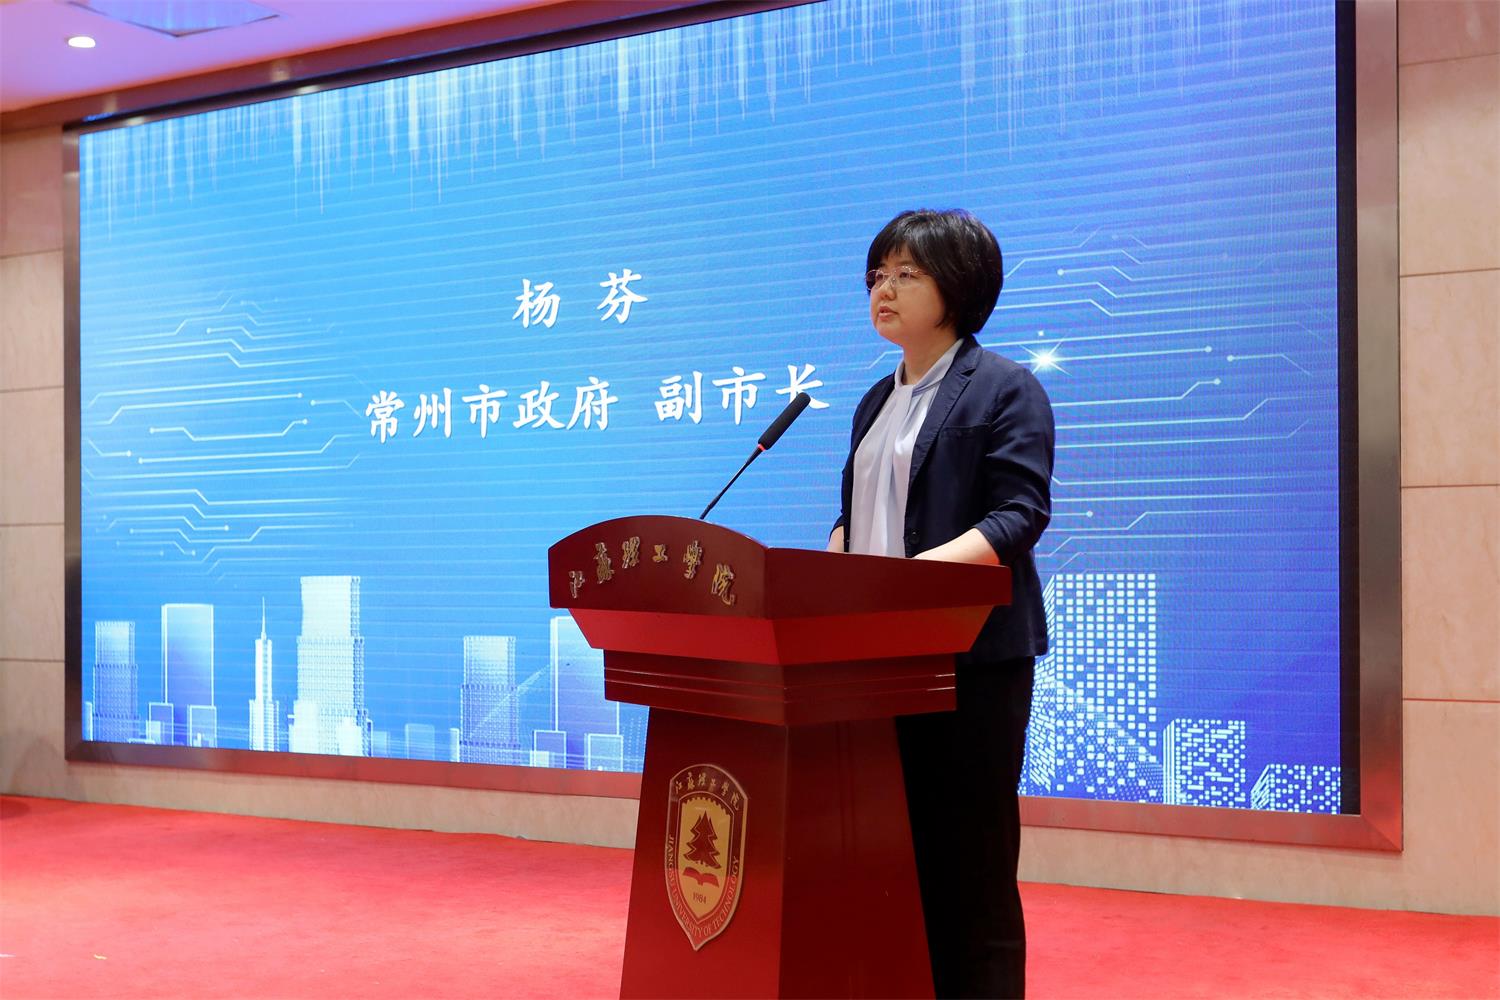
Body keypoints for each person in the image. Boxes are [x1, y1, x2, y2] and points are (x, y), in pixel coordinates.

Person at [828, 209, 1054, 999]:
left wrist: (917, 578)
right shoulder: (874, 402)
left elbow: (1019, 514)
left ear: (956, 287)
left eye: (905, 274)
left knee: (972, 865)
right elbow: (862, 517)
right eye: (876, 275)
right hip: (878, 664)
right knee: (897, 856)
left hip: (972, 661)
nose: (882, 290)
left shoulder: (1004, 388)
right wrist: (833, 562)